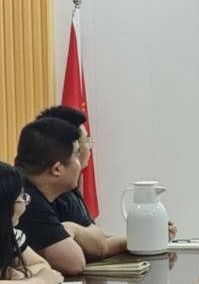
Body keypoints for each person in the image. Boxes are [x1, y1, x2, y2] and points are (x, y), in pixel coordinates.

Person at [35, 105, 176, 249]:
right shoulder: (58, 191)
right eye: (87, 141)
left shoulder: (69, 188)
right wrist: (145, 238)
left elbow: (95, 239)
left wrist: (146, 236)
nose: (90, 148)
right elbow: (94, 248)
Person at [15, 117, 120, 274]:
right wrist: (74, 231)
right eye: (76, 156)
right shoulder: (25, 199)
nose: (80, 163)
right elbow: (74, 263)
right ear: (57, 169)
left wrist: (73, 229)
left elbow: (99, 242)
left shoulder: (36, 190)